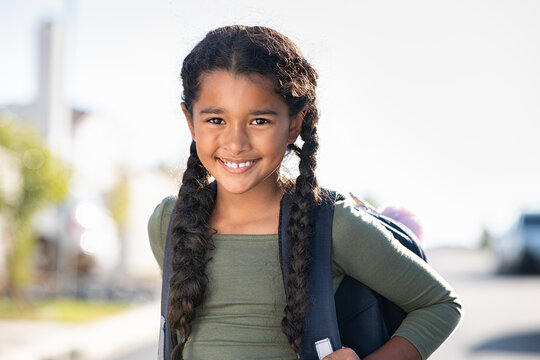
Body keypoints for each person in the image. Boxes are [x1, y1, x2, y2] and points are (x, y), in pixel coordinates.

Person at [148, 25, 462, 360]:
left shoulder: (332, 225)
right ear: (190, 119)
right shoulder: (170, 222)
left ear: (294, 124)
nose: (236, 142)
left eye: (259, 121)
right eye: (215, 120)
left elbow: (440, 305)